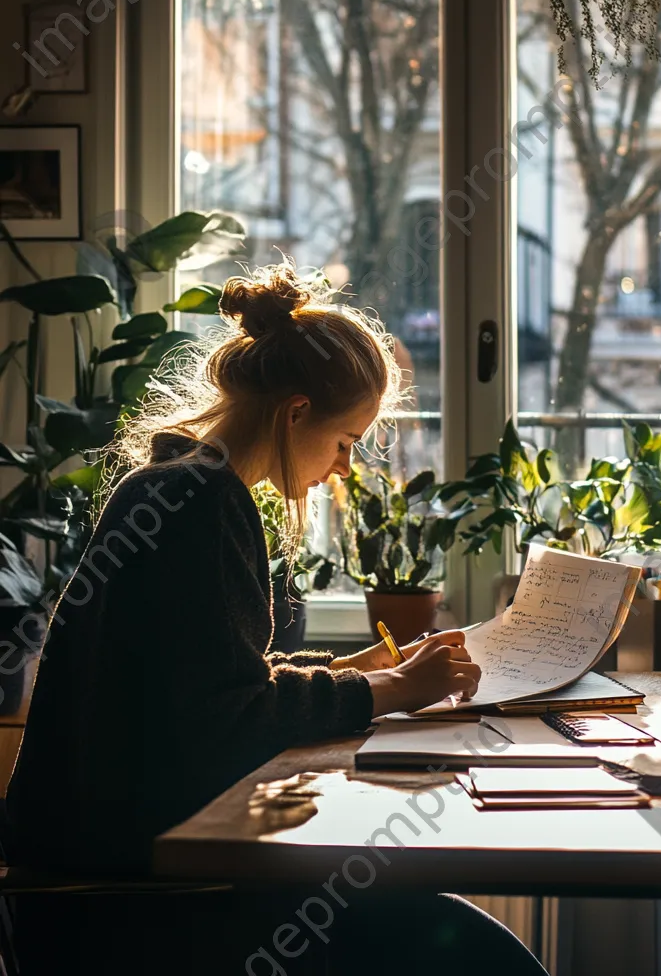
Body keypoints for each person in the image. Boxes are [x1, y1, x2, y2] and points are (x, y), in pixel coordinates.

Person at [5, 262, 548, 976]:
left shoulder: (173, 485)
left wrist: (357, 670)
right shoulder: (201, 501)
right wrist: (395, 692)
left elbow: (207, 684)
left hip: (88, 885)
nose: (343, 469)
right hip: (126, 905)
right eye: (347, 441)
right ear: (295, 414)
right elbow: (220, 720)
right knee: (482, 961)